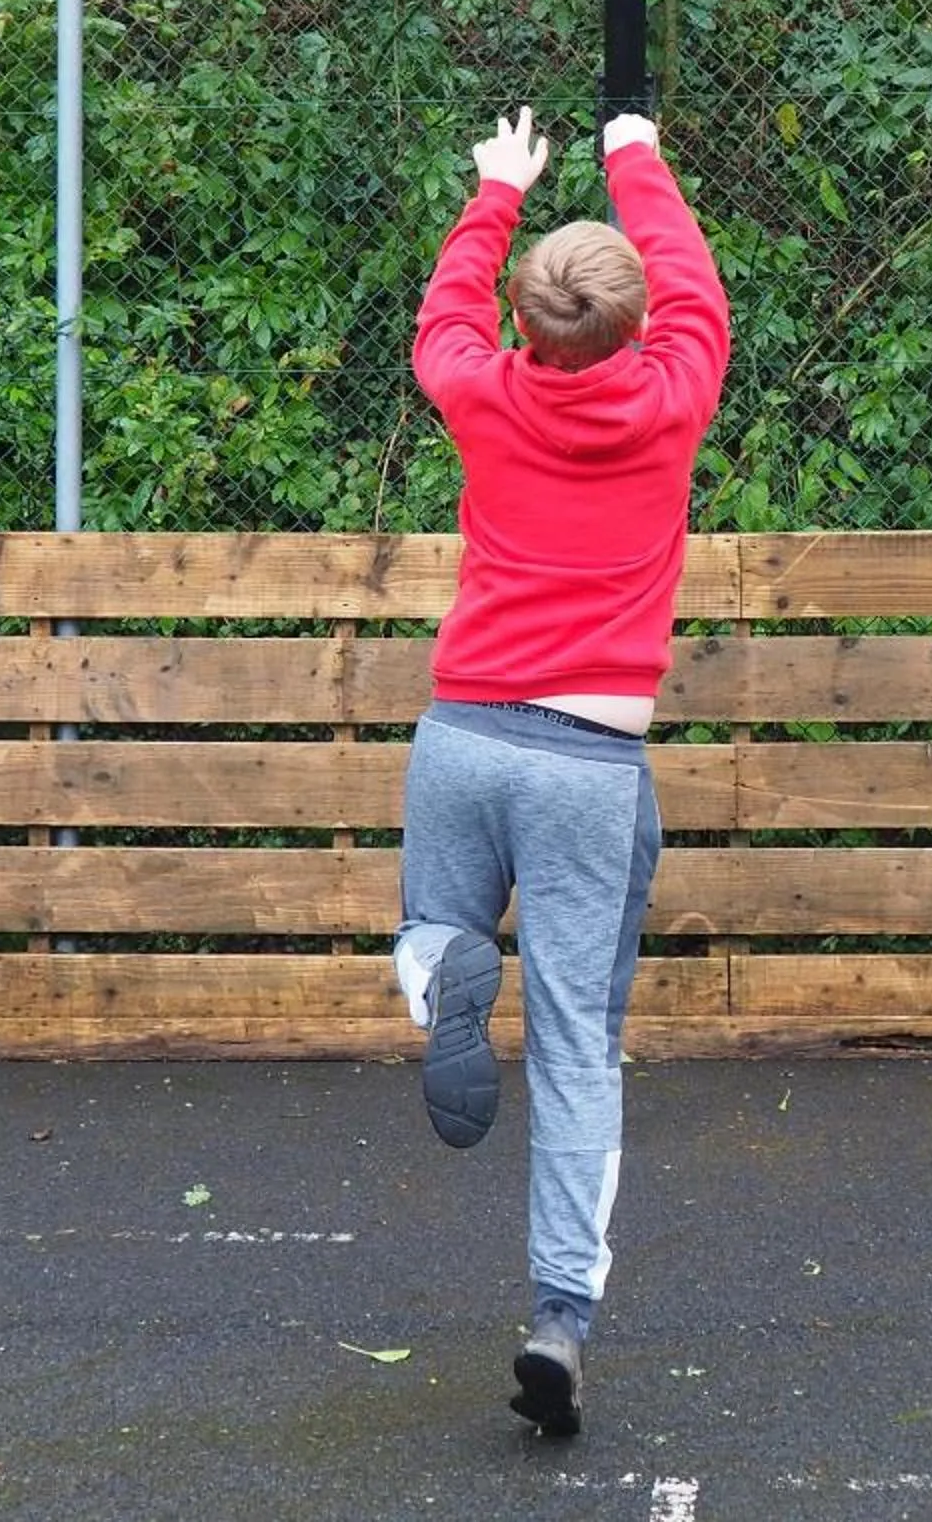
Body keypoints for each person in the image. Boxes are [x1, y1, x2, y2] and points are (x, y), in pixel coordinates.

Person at [392, 103, 731, 1438]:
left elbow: (443, 323)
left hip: (464, 730)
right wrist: (634, 151)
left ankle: (443, 973)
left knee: (430, 934)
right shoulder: (669, 394)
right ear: (632, 324)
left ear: (526, 326)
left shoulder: (482, 387)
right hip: (588, 757)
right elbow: (694, 282)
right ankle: (559, 1319)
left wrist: (494, 189)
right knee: (580, 1046)